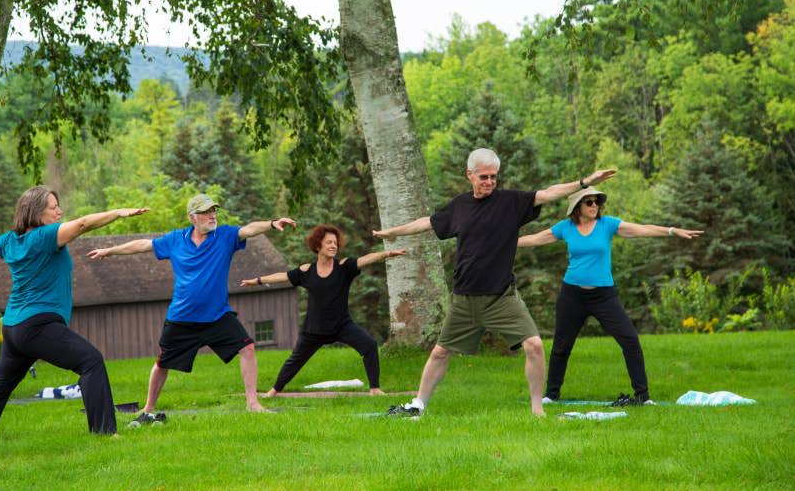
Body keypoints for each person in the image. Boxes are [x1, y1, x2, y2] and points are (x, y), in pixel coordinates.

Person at [373, 148, 616, 417]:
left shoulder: (510, 202)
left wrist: (585, 182)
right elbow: (427, 223)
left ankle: (538, 410)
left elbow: (548, 192)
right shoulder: (459, 207)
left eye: (493, 177)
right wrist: (392, 233)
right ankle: (417, 405)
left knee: (534, 345)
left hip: (502, 297)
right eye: (484, 177)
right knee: (441, 353)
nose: (489, 182)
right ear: (470, 175)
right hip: (464, 298)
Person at [0, 186, 148, 440]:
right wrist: (118, 213)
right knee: (91, 362)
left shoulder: (10, 241)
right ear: (36, 212)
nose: (59, 211)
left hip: (14, 327)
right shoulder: (45, 237)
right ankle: (104, 434)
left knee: (1, 384)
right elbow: (82, 224)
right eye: (53, 207)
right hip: (38, 324)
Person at [86, 193, 295, 421]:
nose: (212, 215)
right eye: (206, 212)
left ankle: (252, 403)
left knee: (247, 349)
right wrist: (109, 251)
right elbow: (143, 245)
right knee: (162, 362)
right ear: (192, 217)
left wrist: (273, 224)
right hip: (182, 317)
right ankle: (148, 408)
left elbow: (250, 229)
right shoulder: (176, 240)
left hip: (217, 316)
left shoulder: (224, 236)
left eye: (214, 210)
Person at [517, 186, 703, 405]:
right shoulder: (565, 227)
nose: (595, 205)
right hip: (572, 295)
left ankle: (643, 397)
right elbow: (536, 239)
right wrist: (500, 243)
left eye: (597, 202)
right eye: (590, 202)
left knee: (630, 340)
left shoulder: (607, 225)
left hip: (604, 296)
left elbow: (641, 229)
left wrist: (671, 230)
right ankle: (551, 395)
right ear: (577, 206)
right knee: (561, 347)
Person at [240, 224, 406, 397]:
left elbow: (366, 259)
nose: (333, 245)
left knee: (369, 345)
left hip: (342, 326)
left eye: (335, 242)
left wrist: (386, 254)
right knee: (295, 361)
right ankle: (274, 391)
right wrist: (257, 281)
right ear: (318, 245)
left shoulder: (344, 267)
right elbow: (282, 276)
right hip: (314, 329)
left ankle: (375, 389)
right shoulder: (307, 271)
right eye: (329, 242)